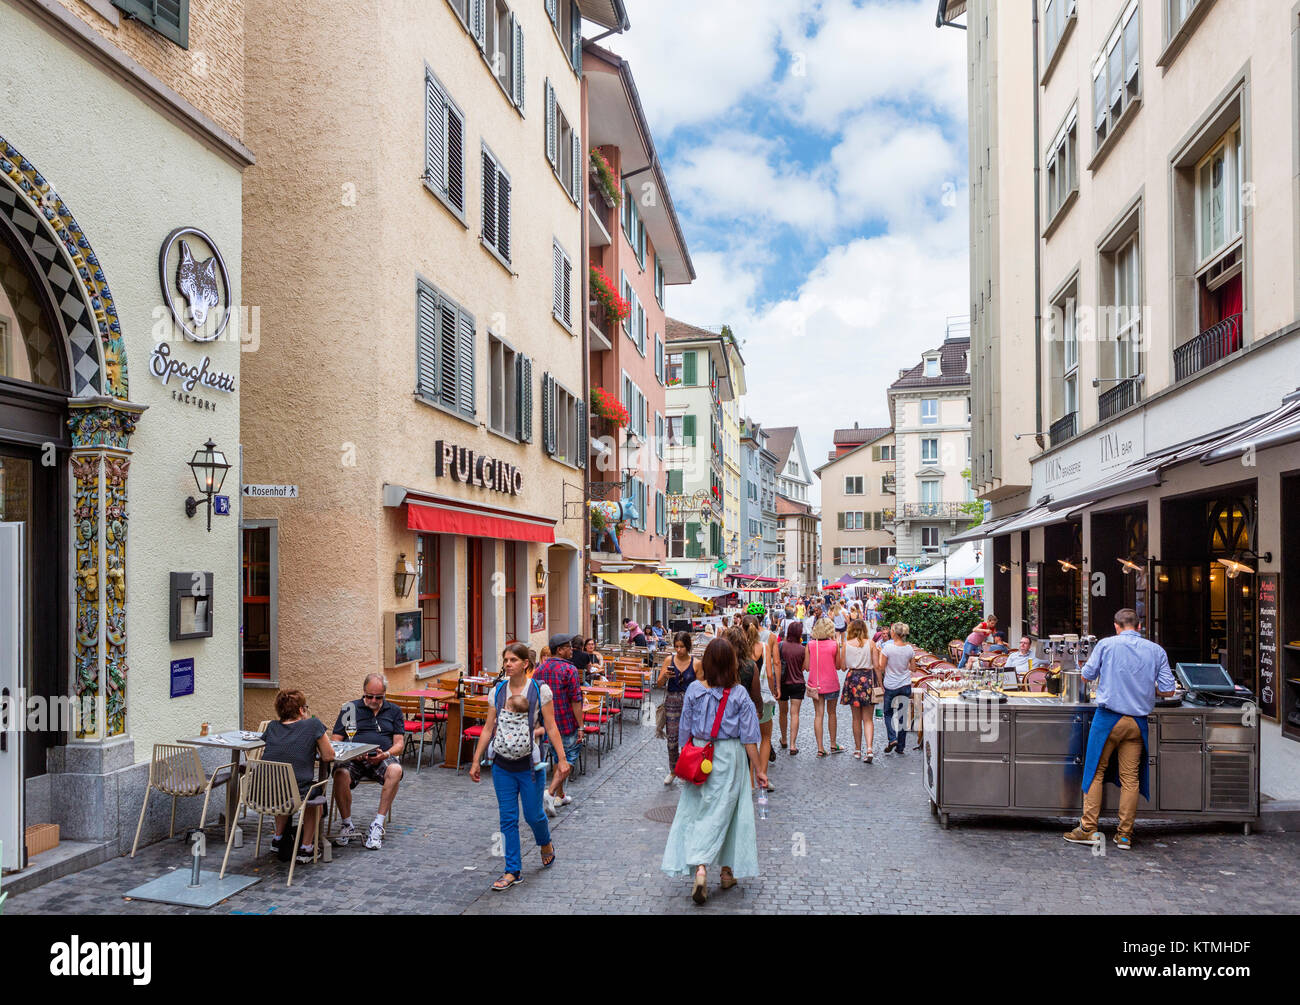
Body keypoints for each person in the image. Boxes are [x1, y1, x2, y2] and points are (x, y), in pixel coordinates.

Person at [661, 637, 766, 904]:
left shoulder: (695, 690)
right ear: (731, 663)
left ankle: (701, 868)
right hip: (729, 756)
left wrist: (684, 758)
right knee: (729, 813)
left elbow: (684, 728)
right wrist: (759, 770)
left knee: (698, 811)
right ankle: (725, 871)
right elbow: (750, 737)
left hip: (699, 754)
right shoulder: (739, 693)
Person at [1065, 609, 1177, 851]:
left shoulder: (1106, 645)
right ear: (1138, 626)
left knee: (1095, 771)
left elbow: (1085, 676)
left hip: (1108, 719)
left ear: (1117, 626)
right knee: (1130, 779)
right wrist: (1146, 688)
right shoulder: (1156, 651)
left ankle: (1088, 829)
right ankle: (1124, 834)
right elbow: (1169, 690)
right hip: (1137, 723)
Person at [469, 644, 572, 891]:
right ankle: (512, 870)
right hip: (501, 765)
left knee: (534, 815)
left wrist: (562, 759)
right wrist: (476, 760)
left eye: (513, 659)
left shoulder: (540, 691)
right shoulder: (498, 691)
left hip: (530, 766)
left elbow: (551, 726)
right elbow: (487, 728)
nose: (508, 664)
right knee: (507, 818)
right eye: (505, 659)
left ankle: (544, 840)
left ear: (525, 663)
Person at [331, 673, 405, 850]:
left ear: (385, 693)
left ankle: (378, 824)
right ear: (363, 692)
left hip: (381, 757)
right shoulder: (350, 708)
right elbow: (335, 739)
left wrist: (385, 754)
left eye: (378, 697)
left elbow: (399, 744)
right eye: (369, 696)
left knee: (395, 770)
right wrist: (352, 752)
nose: (373, 700)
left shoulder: (394, 711)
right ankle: (347, 824)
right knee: (340, 773)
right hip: (354, 758)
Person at [262, 688, 334, 864]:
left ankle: (278, 838)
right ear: (302, 710)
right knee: (315, 793)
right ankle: (306, 847)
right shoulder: (313, 725)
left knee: (281, 784)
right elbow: (329, 756)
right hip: (295, 792)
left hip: (264, 793)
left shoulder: (272, 727)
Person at [533, 635, 584, 811]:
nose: (572, 650)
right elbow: (576, 700)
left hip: (548, 722)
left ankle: (560, 796)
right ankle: (551, 792)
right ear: (560, 650)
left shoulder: (540, 669)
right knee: (569, 757)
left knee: (557, 756)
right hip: (566, 720)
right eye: (569, 647)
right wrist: (581, 725)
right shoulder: (569, 670)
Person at [657, 632, 697, 785]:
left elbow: (701, 685)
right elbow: (659, 684)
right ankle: (673, 770)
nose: (679, 650)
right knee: (672, 738)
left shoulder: (696, 663)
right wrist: (665, 676)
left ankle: (689, 769)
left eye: (682, 647)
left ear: (688, 647)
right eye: (676, 647)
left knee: (690, 738)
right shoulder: (669, 660)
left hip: (690, 702)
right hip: (672, 701)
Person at [839, 619, 878, 762]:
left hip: (853, 679)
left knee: (856, 718)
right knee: (868, 719)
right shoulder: (871, 643)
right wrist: (879, 683)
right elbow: (877, 665)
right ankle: (869, 748)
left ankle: (857, 749)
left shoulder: (846, 644)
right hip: (867, 679)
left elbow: (842, 667)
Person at [876, 623, 918, 754]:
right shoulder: (909, 649)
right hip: (905, 684)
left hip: (891, 685)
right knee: (903, 716)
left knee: (888, 713)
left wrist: (879, 655)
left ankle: (892, 738)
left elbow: (881, 667)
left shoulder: (887, 648)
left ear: (893, 633)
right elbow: (913, 668)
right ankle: (901, 747)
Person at [805, 618, 845, 756]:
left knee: (818, 715)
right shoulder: (834, 644)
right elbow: (839, 666)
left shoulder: (810, 644)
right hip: (831, 683)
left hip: (815, 684)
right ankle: (833, 744)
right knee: (832, 713)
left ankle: (820, 748)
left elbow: (806, 666)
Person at [777, 621, 807, 754]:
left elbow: (776, 664)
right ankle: (793, 745)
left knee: (782, 712)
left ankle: (784, 739)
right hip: (797, 683)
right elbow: (806, 667)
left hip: (782, 683)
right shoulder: (802, 649)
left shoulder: (781, 646)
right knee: (795, 713)